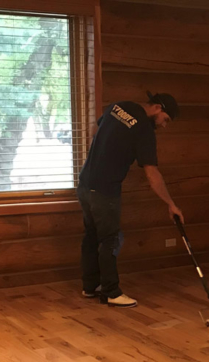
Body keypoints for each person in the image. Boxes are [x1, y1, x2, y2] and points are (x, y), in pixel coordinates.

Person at [77, 91, 184, 308]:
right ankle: (111, 292)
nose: (164, 125)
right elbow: (152, 174)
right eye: (166, 120)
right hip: (105, 190)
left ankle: (90, 287)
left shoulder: (118, 106)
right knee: (111, 239)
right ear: (158, 108)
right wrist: (170, 204)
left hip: (85, 184)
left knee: (92, 235)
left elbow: (98, 129)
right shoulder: (143, 129)